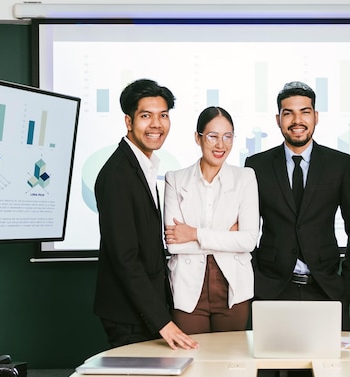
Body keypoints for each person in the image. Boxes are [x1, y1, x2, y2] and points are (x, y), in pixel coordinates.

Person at [245, 81, 350, 377]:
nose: (297, 119)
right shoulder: (256, 165)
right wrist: (255, 280)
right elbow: (246, 228)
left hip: (325, 288)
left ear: (316, 116)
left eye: (304, 112)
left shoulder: (339, 164)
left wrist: (346, 285)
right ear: (278, 118)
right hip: (272, 287)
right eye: (289, 113)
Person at [93, 78, 199, 350]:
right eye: (146, 116)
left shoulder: (142, 165)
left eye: (163, 115)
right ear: (129, 122)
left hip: (142, 309)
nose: (156, 124)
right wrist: (163, 322)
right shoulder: (118, 175)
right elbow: (125, 258)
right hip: (129, 315)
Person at [163, 106, 259, 334]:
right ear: (198, 138)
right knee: (192, 360)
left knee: (229, 360)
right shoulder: (175, 179)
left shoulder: (245, 178)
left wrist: (194, 233)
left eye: (227, 137)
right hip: (188, 287)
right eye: (212, 136)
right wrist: (227, 237)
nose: (221, 145)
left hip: (232, 286)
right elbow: (175, 243)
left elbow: (248, 241)